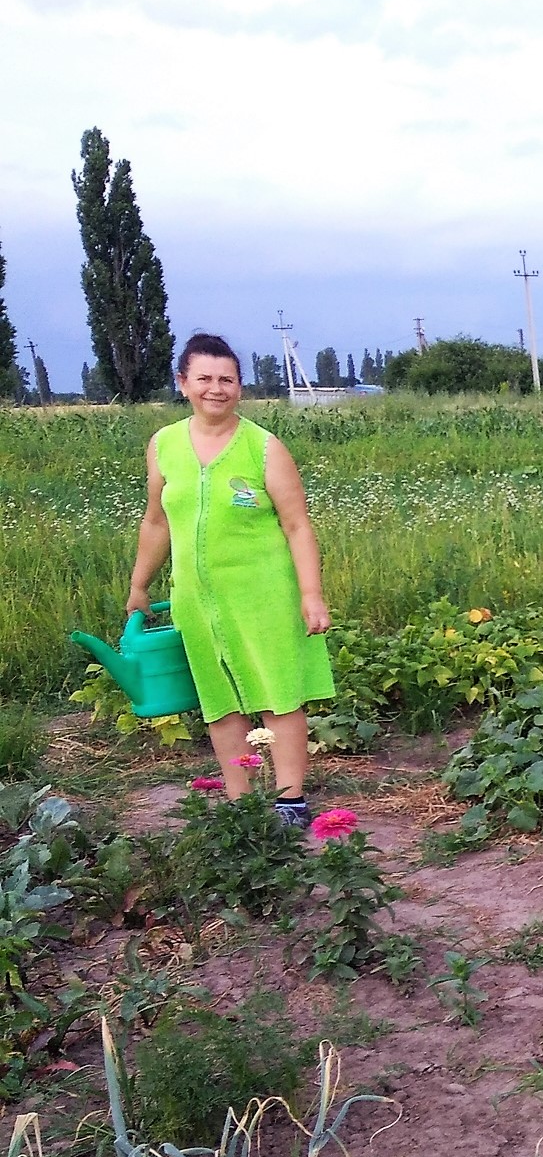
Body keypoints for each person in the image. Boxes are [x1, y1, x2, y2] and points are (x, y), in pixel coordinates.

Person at [127, 333, 335, 830]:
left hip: (264, 594)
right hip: (196, 599)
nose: (216, 389)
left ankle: (289, 801)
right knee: (218, 699)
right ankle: (241, 802)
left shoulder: (264, 448)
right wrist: (140, 584)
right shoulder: (164, 446)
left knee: (278, 692)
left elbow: (297, 525)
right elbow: (156, 521)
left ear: (240, 387)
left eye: (227, 379)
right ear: (183, 383)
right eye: (204, 378)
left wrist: (311, 595)